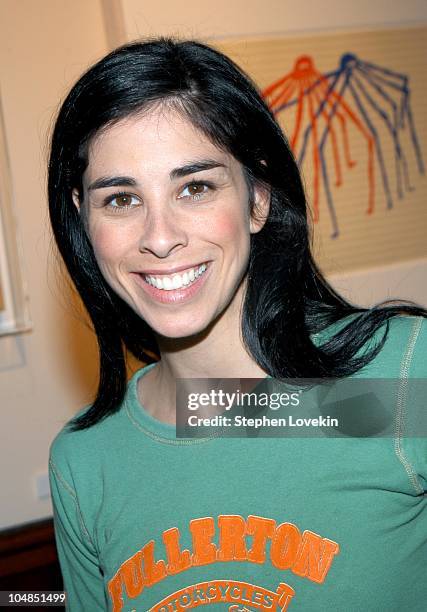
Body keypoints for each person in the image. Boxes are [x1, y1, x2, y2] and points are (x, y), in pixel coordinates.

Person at [48, 38, 427, 611]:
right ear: (83, 218)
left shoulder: (401, 377)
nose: (159, 236)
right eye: (122, 199)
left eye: (195, 187)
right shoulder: (85, 461)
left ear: (258, 198)